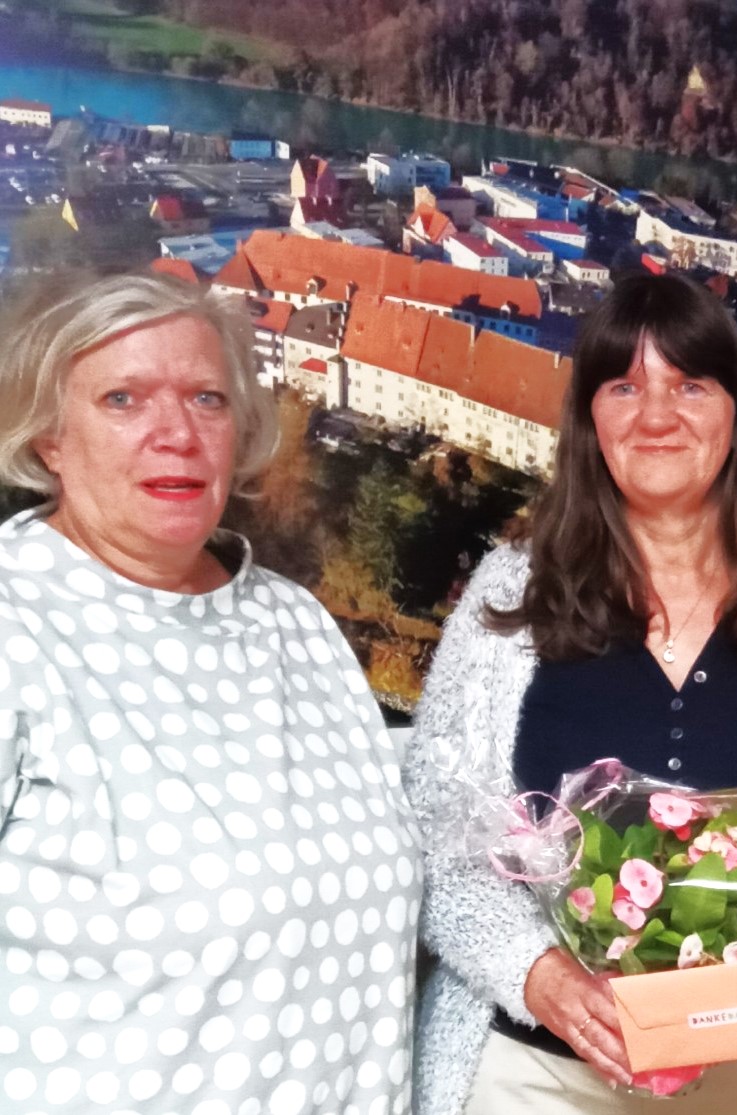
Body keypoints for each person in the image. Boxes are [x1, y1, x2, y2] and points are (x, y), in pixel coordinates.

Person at [404, 272, 737, 1115]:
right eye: (623, 386)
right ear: (589, 420)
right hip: (535, 1076)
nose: (655, 415)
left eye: (690, 385)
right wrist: (537, 975)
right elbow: (435, 832)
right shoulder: (510, 597)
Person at [0, 271, 422, 1114]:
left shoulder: (294, 621)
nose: (177, 434)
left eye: (207, 399)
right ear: (50, 437)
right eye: (123, 399)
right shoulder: (16, 626)